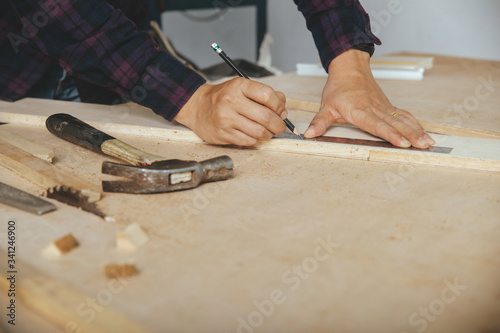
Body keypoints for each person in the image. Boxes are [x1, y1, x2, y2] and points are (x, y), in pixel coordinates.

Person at [2, 0, 434, 148]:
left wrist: (349, 64)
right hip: (15, 69)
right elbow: (56, 11)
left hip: (109, 68)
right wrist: (194, 100)